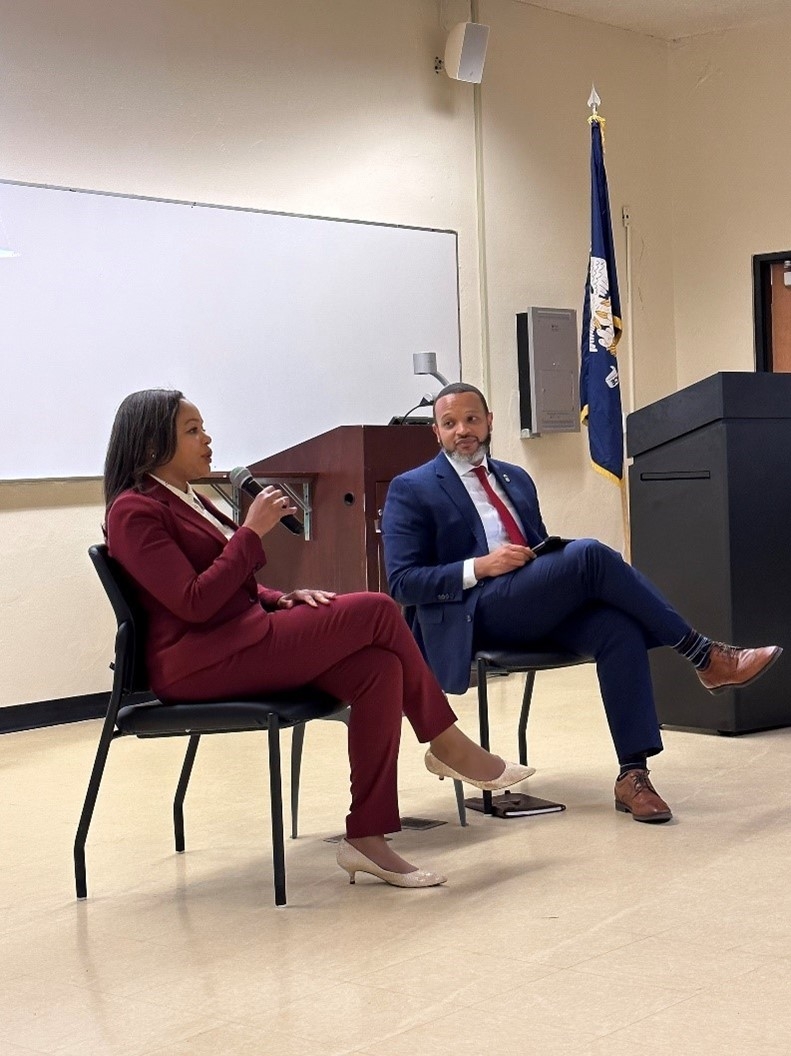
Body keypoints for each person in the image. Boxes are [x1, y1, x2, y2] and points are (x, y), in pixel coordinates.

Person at [103, 388, 534, 890]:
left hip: (239, 637)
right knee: (375, 608)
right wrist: (250, 533)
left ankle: (367, 837)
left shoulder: (186, 498)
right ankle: (446, 741)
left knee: (378, 669)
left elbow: (227, 584)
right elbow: (192, 601)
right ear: (153, 441)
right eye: (193, 430)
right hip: (200, 662)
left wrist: (276, 598)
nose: (208, 439)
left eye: (203, 427)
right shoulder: (134, 512)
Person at [381, 382, 782, 823]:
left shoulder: (516, 477)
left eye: (472, 419)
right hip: (475, 612)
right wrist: (481, 566)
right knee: (590, 554)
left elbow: (538, 553)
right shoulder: (412, 488)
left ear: (490, 421)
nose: (463, 430)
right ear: (436, 433)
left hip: (527, 602)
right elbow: (403, 582)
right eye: (450, 423)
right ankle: (704, 655)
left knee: (616, 627)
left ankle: (633, 773)